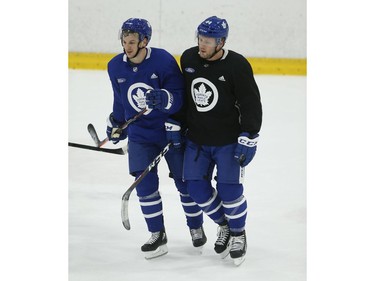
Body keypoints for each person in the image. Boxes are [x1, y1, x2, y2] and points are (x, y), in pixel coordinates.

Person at [105, 18, 206, 259]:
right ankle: (157, 234)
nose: (127, 47)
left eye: (132, 42)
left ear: (145, 41)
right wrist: (118, 123)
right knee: (145, 187)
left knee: (185, 183)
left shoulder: (163, 60)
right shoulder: (115, 66)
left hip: (169, 132)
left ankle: (195, 226)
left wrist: (166, 99)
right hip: (140, 135)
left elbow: (181, 97)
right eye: (124, 41)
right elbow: (120, 100)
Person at [179, 16, 263, 266]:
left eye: (208, 41)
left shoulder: (237, 65)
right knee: (195, 188)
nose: (201, 45)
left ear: (221, 42)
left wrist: (250, 135)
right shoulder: (189, 58)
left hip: (228, 141)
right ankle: (225, 225)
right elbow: (185, 96)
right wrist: (176, 122)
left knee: (230, 191)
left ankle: (238, 234)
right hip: (197, 140)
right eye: (200, 39)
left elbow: (250, 103)